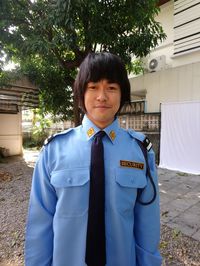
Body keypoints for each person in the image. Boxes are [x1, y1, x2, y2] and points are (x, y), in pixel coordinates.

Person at [25, 52, 162, 266]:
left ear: (122, 94)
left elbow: (148, 222)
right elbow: (40, 223)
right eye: (93, 87)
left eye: (111, 87)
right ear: (81, 93)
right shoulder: (54, 151)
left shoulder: (140, 151)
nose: (102, 96)